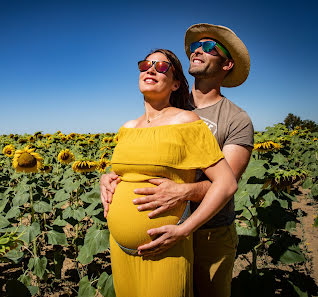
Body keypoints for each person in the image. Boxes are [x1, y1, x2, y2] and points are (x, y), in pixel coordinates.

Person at [101, 24, 254, 297]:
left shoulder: (234, 119)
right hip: (139, 243)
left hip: (208, 230)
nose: (197, 50)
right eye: (196, 46)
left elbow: (227, 180)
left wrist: (183, 193)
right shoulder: (166, 109)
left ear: (227, 64)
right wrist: (111, 179)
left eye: (209, 47)